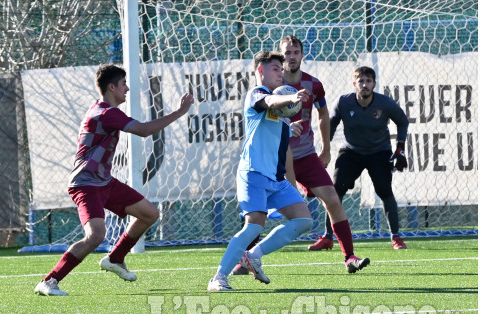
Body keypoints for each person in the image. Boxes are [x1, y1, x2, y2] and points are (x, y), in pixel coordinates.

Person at [35, 64, 194, 296]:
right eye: (123, 84)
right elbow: (143, 130)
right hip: (86, 184)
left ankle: (116, 258)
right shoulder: (107, 113)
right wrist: (180, 112)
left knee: (149, 213)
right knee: (96, 236)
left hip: (103, 181)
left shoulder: (103, 110)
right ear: (112, 87)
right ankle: (49, 281)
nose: (127, 88)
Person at [207, 51, 314, 292]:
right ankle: (218, 278)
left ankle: (253, 255)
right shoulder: (257, 94)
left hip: (275, 178)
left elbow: (274, 125)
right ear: (260, 71)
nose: (281, 72)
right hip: (253, 173)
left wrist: (290, 127)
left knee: (304, 220)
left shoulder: (278, 106)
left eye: (281, 68)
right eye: (275, 68)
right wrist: (290, 99)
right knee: (254, 225)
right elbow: (269, 103)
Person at [280, 35, 370, 271]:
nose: (291, 56)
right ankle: (246, 258)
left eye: (295, 52)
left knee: (332, 199)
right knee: (259, 210)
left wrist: (326, 149)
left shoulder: (313, 85)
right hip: (277, 157)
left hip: (306, 155)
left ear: (302, 55)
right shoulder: (272, 86)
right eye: (287, 52)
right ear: (281, 55)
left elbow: (323, 115)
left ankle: (350, 257)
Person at [327, 66, 410, 250]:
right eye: (361, 81)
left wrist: (400, 148)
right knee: (334, 191)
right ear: (354, 84)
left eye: (368, 81)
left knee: (385, 191)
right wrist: (325, 149)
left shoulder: (385, 103)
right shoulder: (343, 102)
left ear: (374, 84)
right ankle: (327, 237)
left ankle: (396, 237)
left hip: (378, 152)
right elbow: (330, 125)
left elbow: (402, 121)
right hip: (351, 151)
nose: (364, 85)